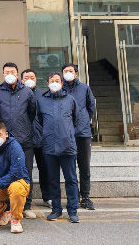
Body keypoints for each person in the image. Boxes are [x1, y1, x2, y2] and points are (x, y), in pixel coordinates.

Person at [0, 63, 36, 219]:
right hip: (5, 143)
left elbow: (32, 113)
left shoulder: (27, 92)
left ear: (17, 74)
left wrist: (24, 128)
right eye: (6, 72)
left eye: (12, 72)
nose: (9, 74)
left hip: (24, 140)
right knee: (6, 173)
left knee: (26, 173)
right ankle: (7, 208)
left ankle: (26, 206)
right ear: (2, 75)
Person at [33, 72, 80, 223]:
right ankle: (56, 209)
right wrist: (44, 137)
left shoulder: (70, 100)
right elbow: (39, 121)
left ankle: (72, 210)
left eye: (57, 80)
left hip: (68, 146)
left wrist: (69, 135)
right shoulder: (42, 101)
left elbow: (76, 120)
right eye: (51, 80)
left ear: (62, 83)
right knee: (53, 180)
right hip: (49, 146)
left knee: (71, 179)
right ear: (47, 83)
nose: (54, 82)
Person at [62, 63, 96, 211]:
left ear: (76, 73)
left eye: (71, 71)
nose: (68, 73)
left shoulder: (84, 88)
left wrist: (83, 121)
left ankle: (85, 197)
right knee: (70, 167)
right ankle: (73, 197)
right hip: (66, 134)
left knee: (84, 166)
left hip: (83, 134)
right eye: (65, 71)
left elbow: (91, 107)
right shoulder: (60, 89)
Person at [21, 68, 51, 208]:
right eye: (26, 78)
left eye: (32, 77)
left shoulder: (43, 95)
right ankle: (26, 199)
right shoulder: (18, 94)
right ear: (21, 80)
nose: (29, 80)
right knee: (26, 170)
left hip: (41, 137)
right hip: (24, 138)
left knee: (44, 168)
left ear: (36, 79)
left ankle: (47, 196)